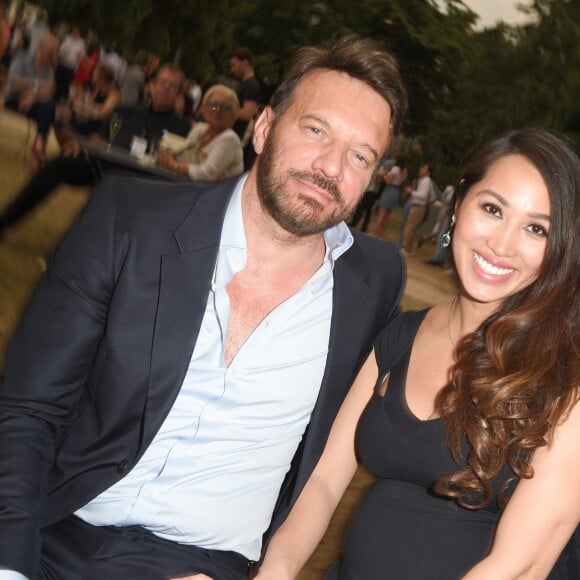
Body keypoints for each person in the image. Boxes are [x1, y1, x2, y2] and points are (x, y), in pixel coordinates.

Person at [0, 35, 408, 580]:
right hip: (51, 523)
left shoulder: (374, 281)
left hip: (198, 565)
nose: (330, 167)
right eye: (316, 130)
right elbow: (29, 408)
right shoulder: (131, 221)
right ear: (263, 128)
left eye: (360, 155)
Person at [255, 128, 580, 580]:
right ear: (459, 205)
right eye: (492, 209)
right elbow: (324, 483)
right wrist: (277, 568)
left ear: (559, 249)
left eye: (535, 228)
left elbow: (519, 566)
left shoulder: (566, 382)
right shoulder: (401, 335)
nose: (502, 244)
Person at [0, 63, 189, 238]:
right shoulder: (126, 111)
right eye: (162, 82)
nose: (165, 88)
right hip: (102, 166)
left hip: (139, 182)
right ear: (153, 84)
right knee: (56, 167)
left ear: (178, 94)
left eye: (171, 86)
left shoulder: (181, 129)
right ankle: (4, 222)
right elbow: (98, 138)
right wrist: (81, 144)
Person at [157, 83, 243, 182]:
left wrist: (175, 166)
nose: (218, 110)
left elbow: (207, 174)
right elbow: (183, 155)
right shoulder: (199, 129)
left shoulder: (230, 139)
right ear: (203, 108)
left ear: (234, 115)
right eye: (213, 105)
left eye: (226, 108)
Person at [3, 33, 58, 171]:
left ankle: (38, 144)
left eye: (49, 54)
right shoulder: (22, 57)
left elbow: (50, 91)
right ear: (39, 48)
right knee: (48, 110)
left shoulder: (49, 69)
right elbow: (14, 83)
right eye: (45, 52)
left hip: (35, 105)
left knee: (49, 107)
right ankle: (38, 151)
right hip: (14, 100)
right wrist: (38, 86)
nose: (45, 57)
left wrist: (32, 95)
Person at [230, 47, 262, 171]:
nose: (232, 70)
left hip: (239, 138)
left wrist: (223, 112)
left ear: (245, 63)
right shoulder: (245, 84)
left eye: (234, 65)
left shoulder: (251, 85)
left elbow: (247, 113)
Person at [400, 162, 436, 255]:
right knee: (412, 228)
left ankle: (406, 248)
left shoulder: (426, 181)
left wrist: (411, 192)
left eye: (423, 168)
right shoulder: (427, 181)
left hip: (418, 206)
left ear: (428, 172)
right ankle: (408, 248)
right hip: (420, 206)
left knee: (410, 227)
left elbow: (423, 195)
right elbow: (432, 197)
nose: (420, 170)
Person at [370, 154, 407, 237]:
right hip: (396, 191)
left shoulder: (395, 169)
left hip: (389, 191)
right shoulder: (405, 171)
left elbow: (388, 182)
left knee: (381, 214)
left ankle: (373, 233)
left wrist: (384, 175)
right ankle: (380, 234)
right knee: (388, 215)